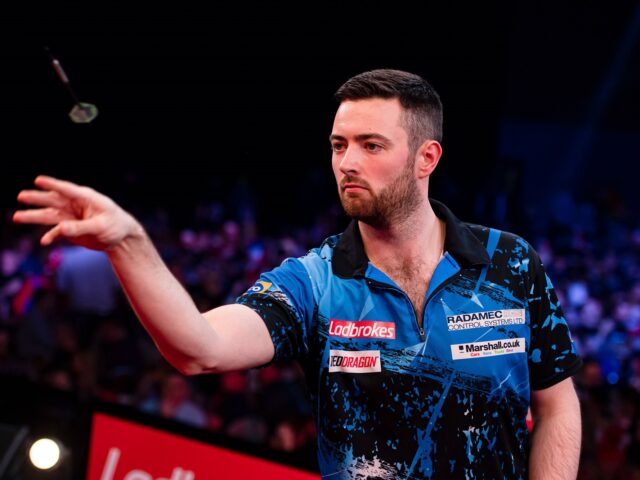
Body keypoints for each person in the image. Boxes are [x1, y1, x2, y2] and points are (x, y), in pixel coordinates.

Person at [13, 69, 582, 479]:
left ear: (425, 159)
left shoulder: (510, 262)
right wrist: (128, 243)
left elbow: (556, 402)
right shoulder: (314, 282)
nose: (347, 163)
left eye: (371, 145)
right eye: (339, 145)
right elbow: (200, 348)